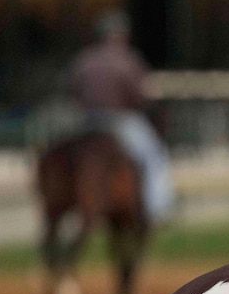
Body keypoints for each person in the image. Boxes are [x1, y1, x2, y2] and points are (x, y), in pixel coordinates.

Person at [69, 13, 174, 223]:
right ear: (120, 35)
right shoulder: (128, 59)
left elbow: (73, 92)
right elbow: (142, 97)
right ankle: (158, 207)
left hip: (88, 122)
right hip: (120, 121)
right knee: (154, 154)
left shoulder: (83, 59)